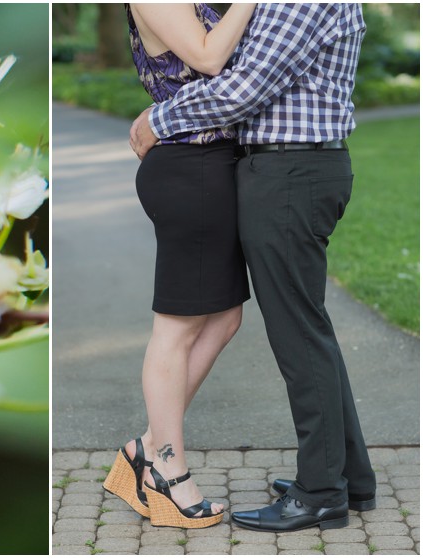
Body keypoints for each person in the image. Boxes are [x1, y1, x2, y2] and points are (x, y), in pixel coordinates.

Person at [129, 4, 370, 533]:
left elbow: (242, 86)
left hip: (290, 170)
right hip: (276, 168)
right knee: (304, 327)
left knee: (299, 332)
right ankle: (345, 476)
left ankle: (323, 490)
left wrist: (157, 118)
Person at [99, 2, 255, 530]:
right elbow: (211, 60)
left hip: (215, 166)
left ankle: (147, 447)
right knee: (178, 326)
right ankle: (167, 470)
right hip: (191, 167)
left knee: (224, 317)